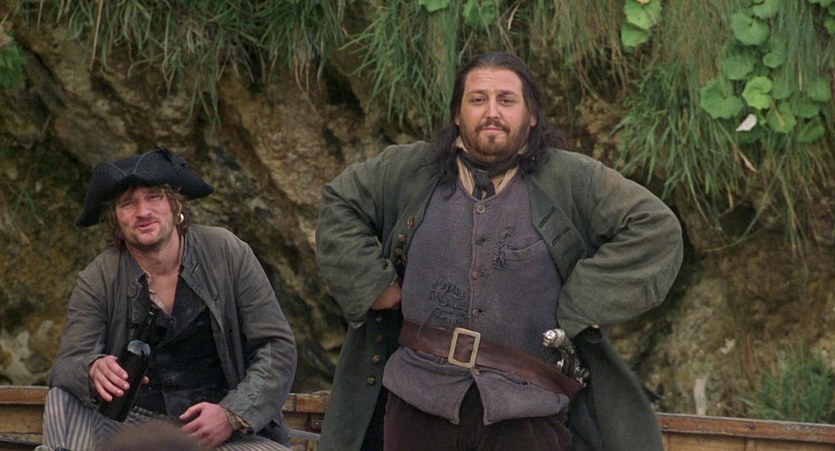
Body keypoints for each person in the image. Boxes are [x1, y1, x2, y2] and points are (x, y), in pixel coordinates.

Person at [315, 51, 683, 451]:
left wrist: (582, 302)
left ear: (531, 115)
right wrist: (372, 283)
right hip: (418, 401)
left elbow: (655, 228)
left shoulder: (572, 179)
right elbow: (339, 202)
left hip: (528, 410)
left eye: (506, 100)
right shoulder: (409, 170)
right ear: (458, 114)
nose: (492, 112)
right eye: (478, 100)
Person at [41, 147, 297, 451]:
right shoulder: (98, 278)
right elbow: (67, 364)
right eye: (127, 203)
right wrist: (92, 368)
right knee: (62, 396)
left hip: (219, 433)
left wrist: (232, 414)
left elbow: (277, 347)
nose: (143, 212)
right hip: (131, 434)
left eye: (154, 197)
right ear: (115, 220)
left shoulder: (227, 252)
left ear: (176, 206)